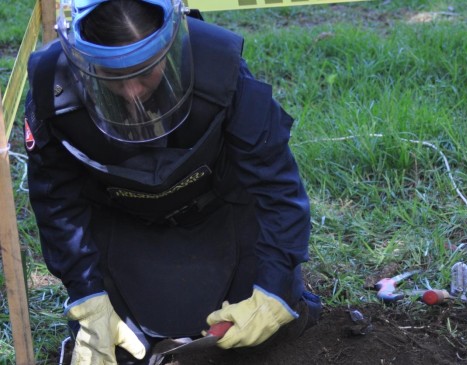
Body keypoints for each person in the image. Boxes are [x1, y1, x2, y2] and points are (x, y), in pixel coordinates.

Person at [23, 0, 321, 364]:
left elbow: (277, 185)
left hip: (219, 209)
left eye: (143, 72)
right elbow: (56, 200)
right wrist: (86, 293)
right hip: (121, 219)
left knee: (261, 330)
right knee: (123, 349)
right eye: (114, 77)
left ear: (170, 45)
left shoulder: (219, 67)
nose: (132, 92)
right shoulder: (53, 90)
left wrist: (274, 288)